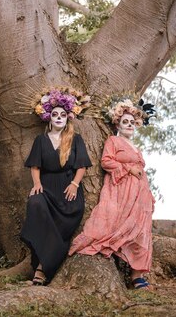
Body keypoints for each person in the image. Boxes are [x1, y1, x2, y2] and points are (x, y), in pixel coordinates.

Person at [69, 97, 156, 289]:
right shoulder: (113, 140)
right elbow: (106, 161)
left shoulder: (136, 147)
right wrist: (128, 168)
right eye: (125, 122)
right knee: (122, 226)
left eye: (132, 123)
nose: (129, 125)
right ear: (118, 123)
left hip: (140, 194)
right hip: (121, 190)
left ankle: (137, 275)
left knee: (141, 232)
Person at [20, 87, 92, 285]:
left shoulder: (75, 140)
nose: (58, 118)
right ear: (48, 117)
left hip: (68, 190)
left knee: (61, 224)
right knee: (35, 205)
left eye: (62, 114)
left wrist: (75, 185)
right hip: (46, 186)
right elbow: (35, 166)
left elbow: (82, 166)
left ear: (67, 117)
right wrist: (37, 184)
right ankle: (43, 262)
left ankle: (42, 268)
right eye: (55, 114)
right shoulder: (40, 140)